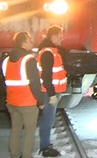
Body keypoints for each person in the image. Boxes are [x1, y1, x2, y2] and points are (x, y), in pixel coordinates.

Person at [1, 31, 45, 158]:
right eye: (30, 40)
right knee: (29, 132)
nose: (32, 42)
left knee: (15, 129)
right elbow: (35, 83)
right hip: (27, 103)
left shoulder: (6, 61)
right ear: (24, 42)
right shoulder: (29, 60)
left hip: (12, 102)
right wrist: (40, 101)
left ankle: (15, 155)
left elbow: (5, 82)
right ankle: (26, 156)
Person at [37, 25, 67, 157]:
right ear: (54, 37)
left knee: (49, 118)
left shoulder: (52, 51)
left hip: (52, 91)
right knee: (47, 119)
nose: (62, 39)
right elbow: (46, 76)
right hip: (49, 92)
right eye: (60, 36)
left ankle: (46, 145)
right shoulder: (48, 53)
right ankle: (45, 147)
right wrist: (52, 94)